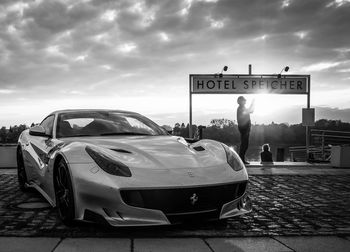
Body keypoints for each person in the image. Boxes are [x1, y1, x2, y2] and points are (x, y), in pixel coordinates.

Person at [237, 96, 254, 164]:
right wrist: (252, 103)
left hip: (244, 128)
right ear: (241, 101)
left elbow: (251, 111)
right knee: (244, 144)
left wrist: (253, 104)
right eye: (244, 100)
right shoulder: (241, 108)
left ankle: (241, 159)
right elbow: (250, 111)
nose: (245, 101)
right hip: (244, 128)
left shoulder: (242, 108)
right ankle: (241, 160)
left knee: (244, 144)